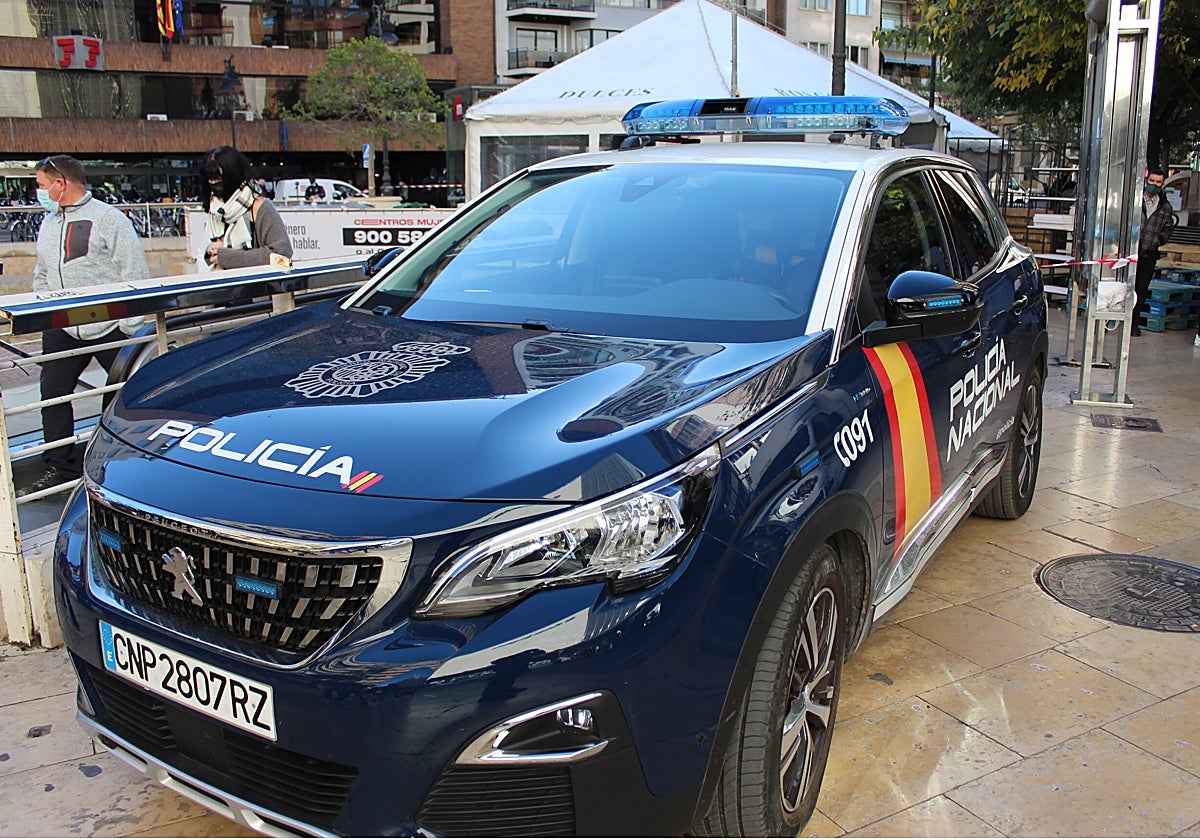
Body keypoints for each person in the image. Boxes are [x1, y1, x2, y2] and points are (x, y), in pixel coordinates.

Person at [26, 154, 149, 493]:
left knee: (123, 392)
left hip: (109, 324)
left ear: (60, 184)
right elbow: (42, 272)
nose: (39, 192)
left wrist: (132, 326)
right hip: (62, 325)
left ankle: (120, 460)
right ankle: (60, 467)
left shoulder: (109, 219)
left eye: (40, 185)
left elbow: (134, 269)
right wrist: (44, 309)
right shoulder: (50, 222)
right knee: (52, 394)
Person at [199, 146, 293, 270]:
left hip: (256, 286)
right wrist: (210, 253)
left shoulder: (260, 207)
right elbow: (203, 254)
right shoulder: (215, 210)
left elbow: (283, 258)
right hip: (221, 285)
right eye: (210, 179)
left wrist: (227, 257)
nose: (214, 184)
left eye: (219, 178)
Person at [1132, 165, 1174, 337]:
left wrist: (1158, 240)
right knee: (1123, 288)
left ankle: (1134, 324)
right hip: (1130, 253)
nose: (1154, 185)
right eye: (1152, 181)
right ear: (1146, 180)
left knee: (1141, 291)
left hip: (1148, 254)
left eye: (1158, 182)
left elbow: (1168, 228)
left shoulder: (1165, 206)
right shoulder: (1135, 201)